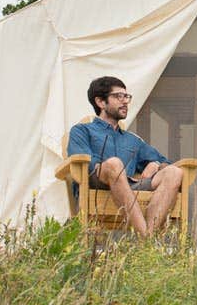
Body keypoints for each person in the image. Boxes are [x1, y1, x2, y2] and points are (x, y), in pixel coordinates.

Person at [66, 76, 186, 236]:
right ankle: (146, 237)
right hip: (94, 182)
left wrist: (156, 163)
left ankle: (148, 237)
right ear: (101, 102)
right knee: (114, 164)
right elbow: (82, 162)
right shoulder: (82, 130)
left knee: (175, 172)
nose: (125, 101)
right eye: (118, 96)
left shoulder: (133, 140)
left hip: (128, 186)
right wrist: (111, 169)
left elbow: (166, 162)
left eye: (126, 97)